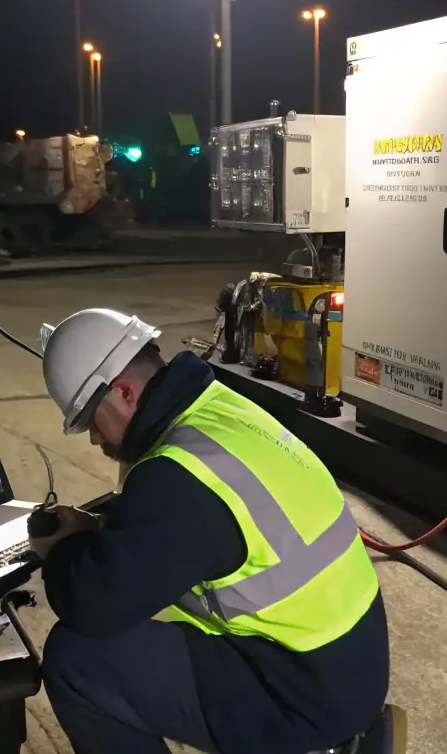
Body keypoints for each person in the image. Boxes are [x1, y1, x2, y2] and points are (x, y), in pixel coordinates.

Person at [32, 308, 406, 754]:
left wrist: (62, 548)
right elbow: (195, 528)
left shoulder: (176, 476)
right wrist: (108, 531)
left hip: (302, 698)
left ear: (125, 394)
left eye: (91, 421)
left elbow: (93, 604)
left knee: (79, 660)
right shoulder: (220, 409)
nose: (96, 439)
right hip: (345, 666)